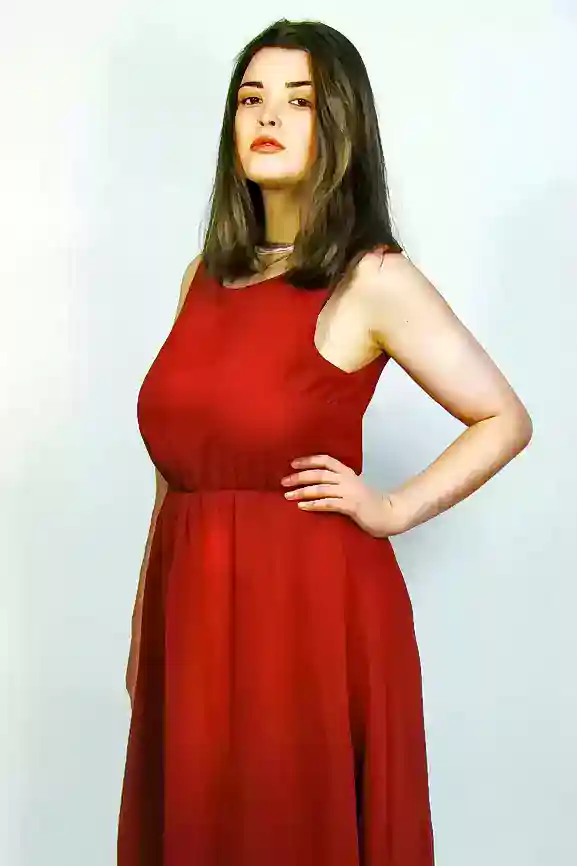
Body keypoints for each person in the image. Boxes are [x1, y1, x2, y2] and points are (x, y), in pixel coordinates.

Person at [117, 18, 533, 866]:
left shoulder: (371, 278)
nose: (268, 115)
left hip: (307, 615)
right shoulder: (203, 277)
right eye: (250, 99)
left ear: (338, 123)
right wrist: (143, 624)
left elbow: (503, 418)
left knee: (287, 828)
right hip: (189, 604)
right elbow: (173, 469)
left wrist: (392, 507)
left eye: (298, 101)